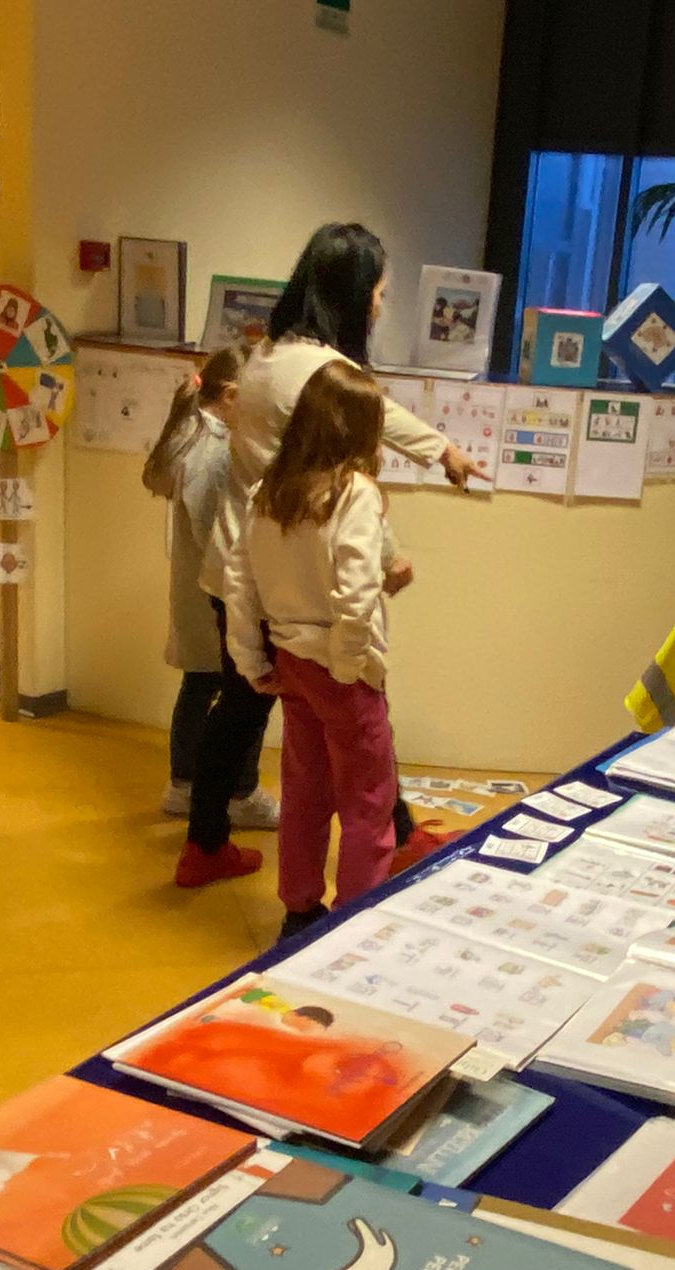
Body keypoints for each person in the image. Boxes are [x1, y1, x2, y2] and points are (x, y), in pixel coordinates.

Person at [175, 222, 483, 890]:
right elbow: (346, 489)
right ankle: (382, 847)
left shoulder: (268, 357)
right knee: (356, 725)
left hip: (252, 570)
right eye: (377, 291)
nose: (379, 305)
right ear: (350, 292)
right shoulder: (320, 374)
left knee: (256, 720)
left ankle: (212, 847)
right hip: (295, 587)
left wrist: (441, 451)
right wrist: (433, 471)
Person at [222, 359, 397, 938]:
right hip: (340, 667)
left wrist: (250, 660)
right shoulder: (355, 494)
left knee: (305, 789)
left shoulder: (269, 492)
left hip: (290, 661)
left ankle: (299, 910)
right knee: (367, 799)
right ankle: (353, 925)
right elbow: (357, 591)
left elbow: (239, 582)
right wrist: (348, 666)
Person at [144, 341, 276, 828]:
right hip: (214, 591)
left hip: (200, 588)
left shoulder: (192, 434)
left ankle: (185, 783)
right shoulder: (213, 450)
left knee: (201, 684)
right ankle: (238, 791)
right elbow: (214, 532)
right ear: (230, 395)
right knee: (238, 692)